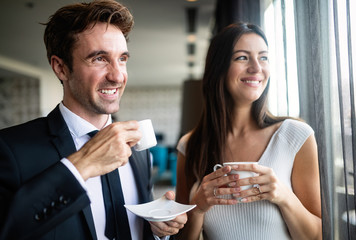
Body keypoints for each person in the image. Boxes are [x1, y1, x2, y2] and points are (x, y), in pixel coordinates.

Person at [0, 1, 186, 239]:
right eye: (99, 59)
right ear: (61, 68)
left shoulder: (138, 153)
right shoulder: (11, 150)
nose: (117, 75)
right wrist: (81, 166)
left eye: (122, 59)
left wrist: (158, 229)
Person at [175, 22, 322, 240]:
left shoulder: (296, 136)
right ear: (219, 68)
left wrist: (283, 196)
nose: (256, 67)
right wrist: (197, 208)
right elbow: (180, 236)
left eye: (263, 57)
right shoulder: (190, 145)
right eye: (242, 57)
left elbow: (317, 236)